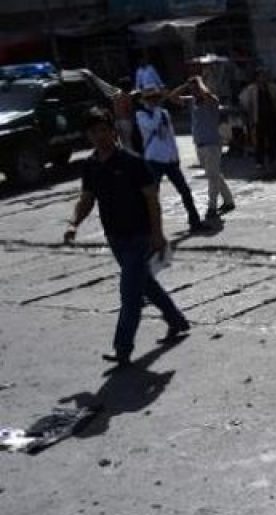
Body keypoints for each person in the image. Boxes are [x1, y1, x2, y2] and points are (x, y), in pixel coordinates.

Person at [64, 108, 190, 368]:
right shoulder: (91, 165)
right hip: (115, 237)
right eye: (93, 132)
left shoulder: (132, 162)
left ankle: (122, 348)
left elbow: (152, 200)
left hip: (139, 236)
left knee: (130, 294)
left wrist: (157, 234)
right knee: (145, 284)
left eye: (103, 130)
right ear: (88, 135)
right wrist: (73, 223)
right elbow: (87, 199)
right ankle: (176, 321)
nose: (99, 136)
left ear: (113, 131)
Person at [135, 87, 205, 232]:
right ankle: (148, 227)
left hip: (169, 159)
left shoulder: (164, 113)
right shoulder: (142, 115)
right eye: (150, 99)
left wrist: (175, 155)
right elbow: (152, 125)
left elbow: (170, 136)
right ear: (145, 101)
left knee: (185, 191)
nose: (154, 101)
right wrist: (156, 110)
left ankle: (195, 221)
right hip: (154, 159)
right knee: (152, 195)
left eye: (156, 98)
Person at [171, 76, 234, 224]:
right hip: (199, 144)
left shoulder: (211, 100)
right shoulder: (191, 101)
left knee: (212, 177)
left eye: (196, 88)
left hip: (212, 144)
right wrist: (185, 86)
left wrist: (200, 84)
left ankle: (212, 207)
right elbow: (172, 97)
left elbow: (208, 96)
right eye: (192, 89)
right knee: (214, 174)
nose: (194, 91)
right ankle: (229, 200)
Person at [240, 68, 276, 172]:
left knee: (272, 139)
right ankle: (259, 162)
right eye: (261, 76)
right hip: (258, 118)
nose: (263, 78)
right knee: (259, 141)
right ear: (256, 77)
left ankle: (272, 159)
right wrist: (249, 112)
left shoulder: (271, 87)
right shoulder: (251, 89)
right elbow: (243, 100)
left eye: (264, 75)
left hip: (271, 117)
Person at [112, 79, 136, 152]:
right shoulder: (127, 96)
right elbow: (130, 109)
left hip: (117, 121)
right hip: (126, 120)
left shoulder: (115, 96)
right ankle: (130, 155)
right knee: (128, 141)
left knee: (122, 142)